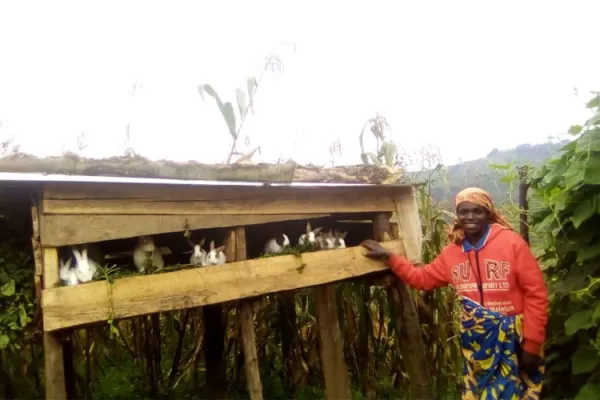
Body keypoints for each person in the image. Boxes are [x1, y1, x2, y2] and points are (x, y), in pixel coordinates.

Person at [362, 187, 548, 399]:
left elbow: (536, 294)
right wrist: (390, 258)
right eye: (464, 211)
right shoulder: (452, 253)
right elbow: (422, 279)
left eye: (477, 211)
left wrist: (532, 343)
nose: (470, 217)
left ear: (488, 213)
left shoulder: (512, 244)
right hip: (477, 342)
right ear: (457, 215)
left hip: (515, 339)